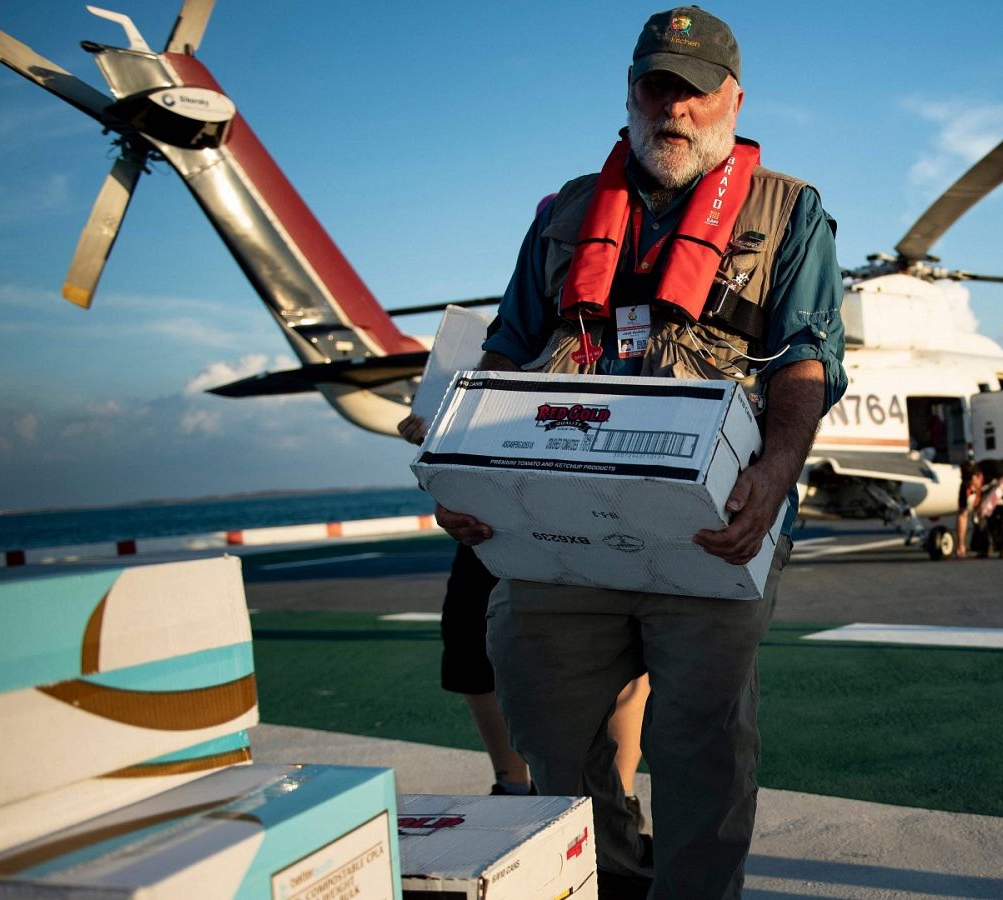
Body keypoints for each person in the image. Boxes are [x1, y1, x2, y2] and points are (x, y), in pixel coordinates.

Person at [432, 8, 845, 898]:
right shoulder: (565, 212)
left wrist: (774, 474)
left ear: (732, 98)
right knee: (545, 725)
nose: (676, 108)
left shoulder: (790, 211)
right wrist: (462, 475)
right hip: (557, 532)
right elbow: (506, 353)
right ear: (630, 92)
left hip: (712, 528)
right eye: (658, 86)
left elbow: (807, 356)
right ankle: (614, 873)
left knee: (699, 743)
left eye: (695, 92)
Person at [397, 413, 652, 813]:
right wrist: (434, 424)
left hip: (594, 484)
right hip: (495, 492)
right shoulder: (494, 349)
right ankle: (513, 788)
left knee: (618, 645)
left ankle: (623, 800)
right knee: (469, 642)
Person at [954, 457, 1003, 559]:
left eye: (972, 485)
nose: (971, 489)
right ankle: (988, 545)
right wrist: (960, 544)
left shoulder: (994, 468)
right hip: (988, 493)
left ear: (979, 476)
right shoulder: (965, 488)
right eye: (968, 486)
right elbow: (962, 515)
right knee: (979, 514)